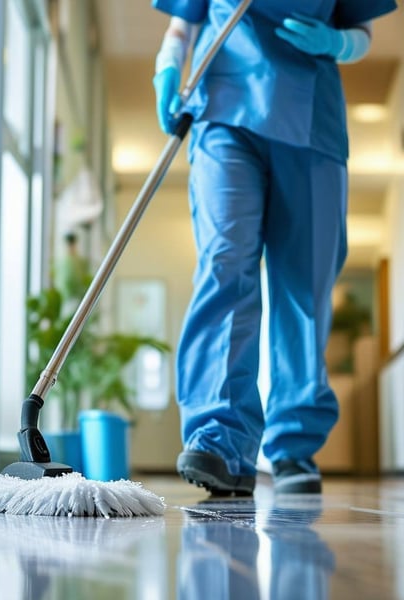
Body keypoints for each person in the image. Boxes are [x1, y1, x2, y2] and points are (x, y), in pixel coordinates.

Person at [151, 0, 397, 495]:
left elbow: (363, 32)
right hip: (222, 106)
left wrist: (337, 43)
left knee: (304, 281)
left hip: (311, 121)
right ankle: (220, 440)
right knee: (226, 260)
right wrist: (168, 66)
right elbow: (183, 23)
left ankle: (292, 447)